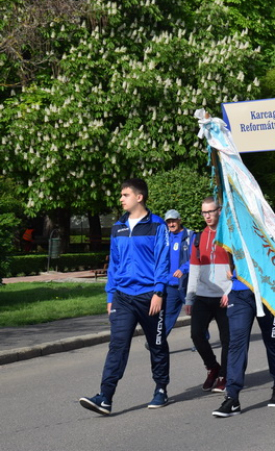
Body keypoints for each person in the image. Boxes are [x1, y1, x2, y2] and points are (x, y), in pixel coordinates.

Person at [79, 178, 171, 416]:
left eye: (125, 195)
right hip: (122, 297)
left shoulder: (157, 226)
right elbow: (114, 265)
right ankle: (105, 398)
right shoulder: (118, 227)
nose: (121, 199)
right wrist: (110, 295)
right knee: (117, 346)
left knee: (157, 345)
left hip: (150, 295)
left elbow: (163, 262)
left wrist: (159, 292)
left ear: (139, 197)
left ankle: (161, 388)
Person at [212, 270, 275, 417]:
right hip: (240, 292)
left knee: (273, 340)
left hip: (267, 290)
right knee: (236, 344)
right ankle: (232, 397)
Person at [186, 197, 232, 393]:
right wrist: (189, 297)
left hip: (224, 296)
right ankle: (212, 367)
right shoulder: (198, 237)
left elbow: (239, 266)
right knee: (196, 334)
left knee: (227, 340)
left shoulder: (229, 235)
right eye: (204, 212)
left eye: (210, 212)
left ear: (219, 211)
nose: (207, 216)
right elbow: (194, 270)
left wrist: (231, 291)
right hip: (203, 296)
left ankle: (225, 375)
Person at [163, 210, 194, 337]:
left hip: (187, 284)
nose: (171, 224)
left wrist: (183, 269)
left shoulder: (190, 236)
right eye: (168, 222)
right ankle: (157, 342)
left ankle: (202, 341)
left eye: (173, 221)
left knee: (195, 315)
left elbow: (195, 258)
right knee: (167, 316)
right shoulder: (165, 237)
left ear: (179, 220)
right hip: (171, 285)